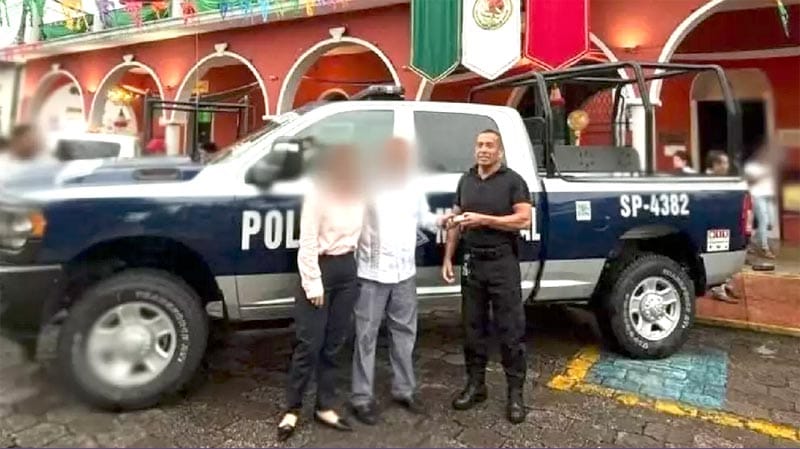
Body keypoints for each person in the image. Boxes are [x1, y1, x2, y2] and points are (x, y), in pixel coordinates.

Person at [349, 137, 451, 425]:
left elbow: (424, 218)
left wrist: (443, 220)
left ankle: (404, 390)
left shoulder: (413, 185)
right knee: (365, 336)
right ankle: (361, 397)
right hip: (371, 273)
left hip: (404, 273)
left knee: (405, 334)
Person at [442, 129, 533, 424]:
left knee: (510, 330)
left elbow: (524, 219)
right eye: (479, 144)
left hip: (502, 262)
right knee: (473, 329)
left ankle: (515, 395)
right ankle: (475, 386)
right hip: (473, 263)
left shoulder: (513, 181)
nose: (483, 149)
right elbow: (456, 220)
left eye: (489, 145)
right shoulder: (466, 180)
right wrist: (448, 256)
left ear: (499, 152)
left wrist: (485, 220)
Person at [277, 143, 365, 441]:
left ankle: (325, 405)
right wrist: (313, 282)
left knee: (334, 344)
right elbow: (308, 241)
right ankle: (292, 408)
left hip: (347, 270)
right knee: (309, 344)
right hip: (319, 269)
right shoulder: (318, 193)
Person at [745, 143, 778, 259]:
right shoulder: (751, 166)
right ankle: (764, 248)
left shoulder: (769, 166)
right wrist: (761, 176)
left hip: (769, 196)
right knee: (764, 221)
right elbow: (749, 181)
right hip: (757, 195)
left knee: (771, 222)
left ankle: (751, 241)